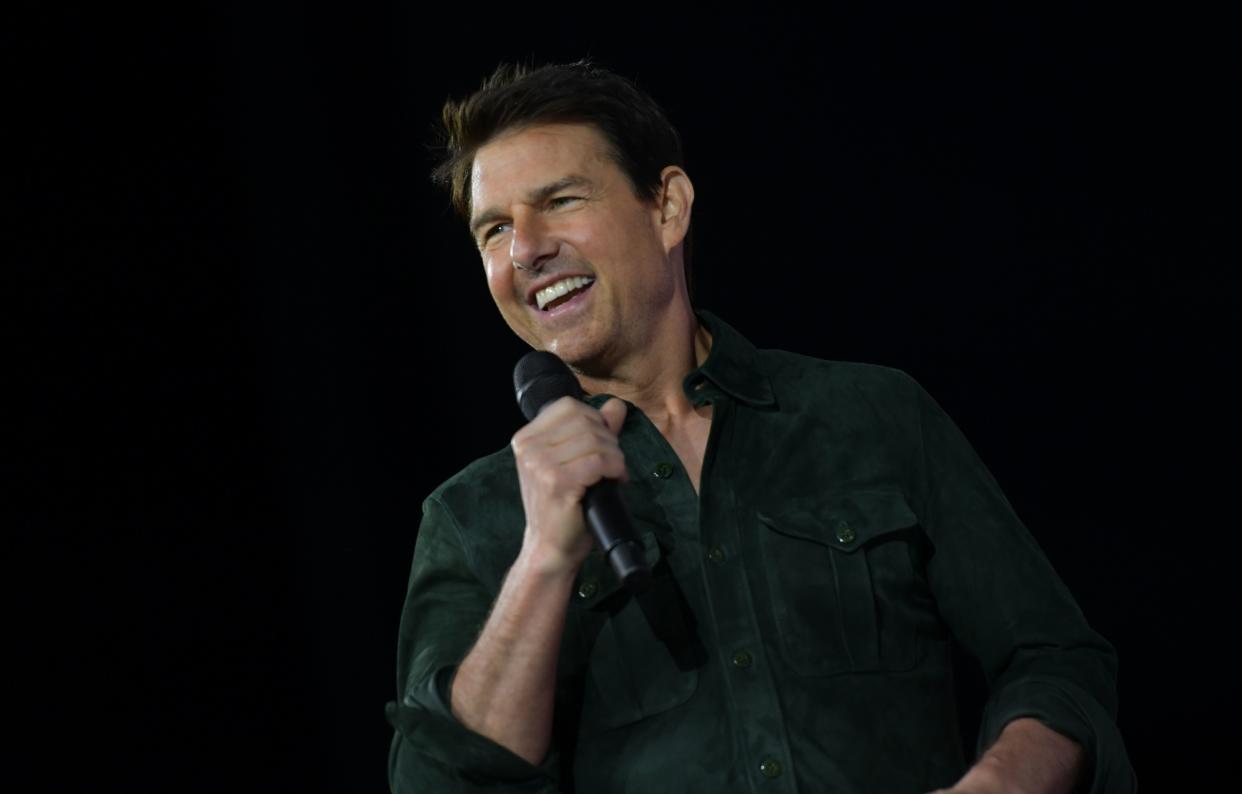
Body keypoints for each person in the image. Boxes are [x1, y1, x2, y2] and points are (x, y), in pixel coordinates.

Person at [385, 60, 1135, 793]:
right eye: (493, 230)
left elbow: (1055, 661)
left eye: (559, 200)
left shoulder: (870, 417)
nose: (525, 249)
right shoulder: (472, 518)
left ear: (667, 207)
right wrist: (545, 559)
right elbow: (438, 779)